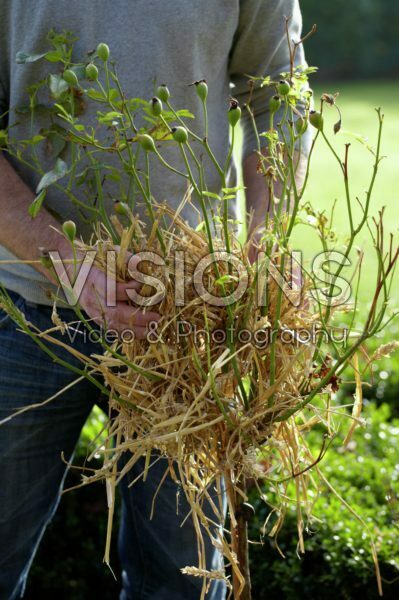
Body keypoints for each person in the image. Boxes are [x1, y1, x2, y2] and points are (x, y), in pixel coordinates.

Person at [0, 1, 310, 598]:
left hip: (186, 320)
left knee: (184, 581)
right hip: (23, 312)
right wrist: (61, 256)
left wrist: (264, 236)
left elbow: (281, 91)